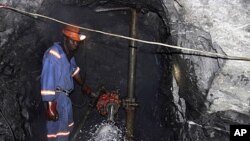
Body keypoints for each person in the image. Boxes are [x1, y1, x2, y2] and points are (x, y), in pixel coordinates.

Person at [40, 25, 92, 141]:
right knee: (58, 132)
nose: (75, 44)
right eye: (72, 41)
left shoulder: (69, 56)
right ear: (65, 39)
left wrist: (83, 85)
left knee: (66, 128)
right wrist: (50, 105)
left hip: (65, 98)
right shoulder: (53, 54)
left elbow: (74, 71)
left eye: (77, 42)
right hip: (56, 99)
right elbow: (47, 80)